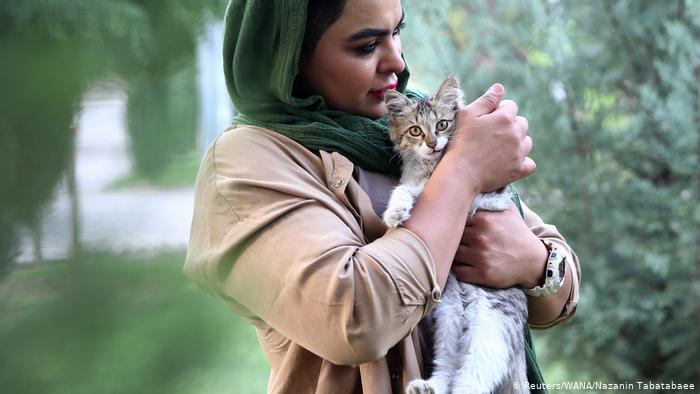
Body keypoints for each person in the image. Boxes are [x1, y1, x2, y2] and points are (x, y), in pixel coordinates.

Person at [184, 0, 580, 392]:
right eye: (366, 45)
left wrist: (533, 262)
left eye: (397, 32)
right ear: (289, 56)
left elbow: (560, 293)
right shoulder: (246, 163)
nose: (398, 62)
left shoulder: (412, 119)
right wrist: (463, 172)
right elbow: (354, 319)